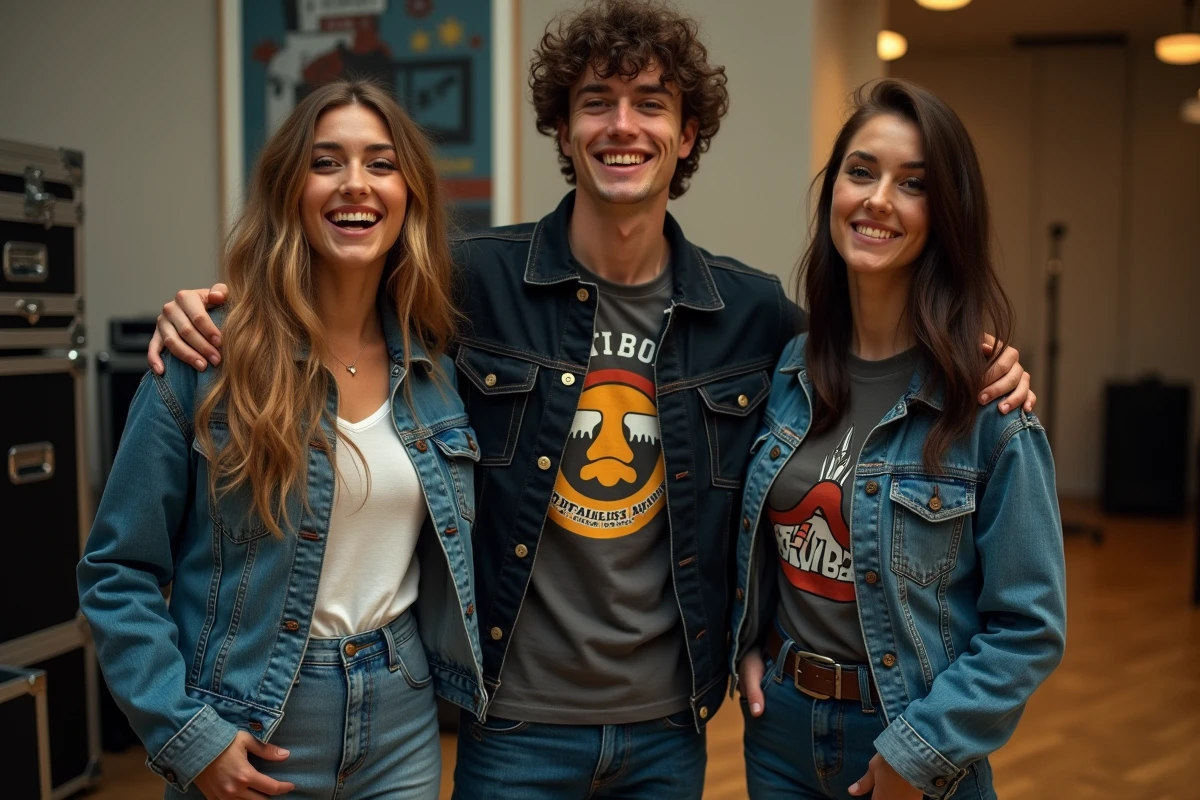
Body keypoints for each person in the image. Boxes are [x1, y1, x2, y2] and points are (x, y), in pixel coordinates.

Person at [147, 3, 1034, 797]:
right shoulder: (470, 281)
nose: (623, 125)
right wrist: (213, 309)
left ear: (687, 136)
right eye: (596, 103)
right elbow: (327, 299)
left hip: (666, 731)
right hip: (512, 727)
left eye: (651, 103)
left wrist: (983, 361)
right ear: (563, 132)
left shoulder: (751, 311)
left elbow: (864, 363)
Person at [79, 80, 485, 800]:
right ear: (288, 189)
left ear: (410, 196)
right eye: (326, 162)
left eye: (380, 164)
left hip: (402, 719)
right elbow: (117, 572)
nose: (354, 184)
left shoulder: (437, 371)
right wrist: (186, 735)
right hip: (249, 720)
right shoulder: (206, 359)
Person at [730, 79, 1067, 800]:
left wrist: (919, 753)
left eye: (912, 184)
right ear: (833, 196)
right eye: (861, 172)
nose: (878, 199)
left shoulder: (989, 409)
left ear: (944, 216)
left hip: (909, 739)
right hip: (780, 730)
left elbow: (1029, 627)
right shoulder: (788, 369)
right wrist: (751, 647)